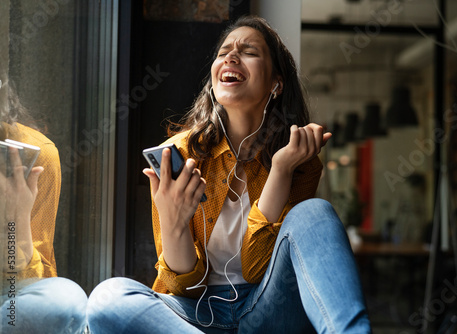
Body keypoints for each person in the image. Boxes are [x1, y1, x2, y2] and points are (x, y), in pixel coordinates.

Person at [88, 15, 371, 333]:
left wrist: (280, 169)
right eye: (224, 52)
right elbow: (184, 287)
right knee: (108, 298)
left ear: (276, 83)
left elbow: (255, 269)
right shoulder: (178, 154)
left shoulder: (299, 162)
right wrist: (174, 222)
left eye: (248, 51)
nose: (231, 57)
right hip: (194, 314)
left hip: (267, 308)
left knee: (315, 212)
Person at [0, 83, 87, 333]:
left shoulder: (35, 155)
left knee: (63, 298)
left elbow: (33, 284)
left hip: (10, 296)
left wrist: (14, 220)